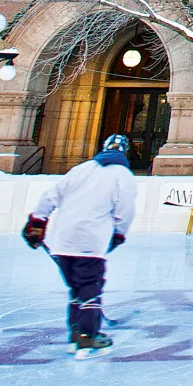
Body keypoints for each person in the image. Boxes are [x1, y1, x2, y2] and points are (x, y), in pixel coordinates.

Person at [22, 133, 138, 355]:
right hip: (90, 240)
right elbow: (125, 211)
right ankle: (87, 335)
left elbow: (49, 196)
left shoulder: (81, 169)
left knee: (76, 288)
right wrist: (118, 235)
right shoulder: (123, 175)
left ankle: (75, 332)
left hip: (61, 240)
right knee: (89, 288)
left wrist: (36, 223)